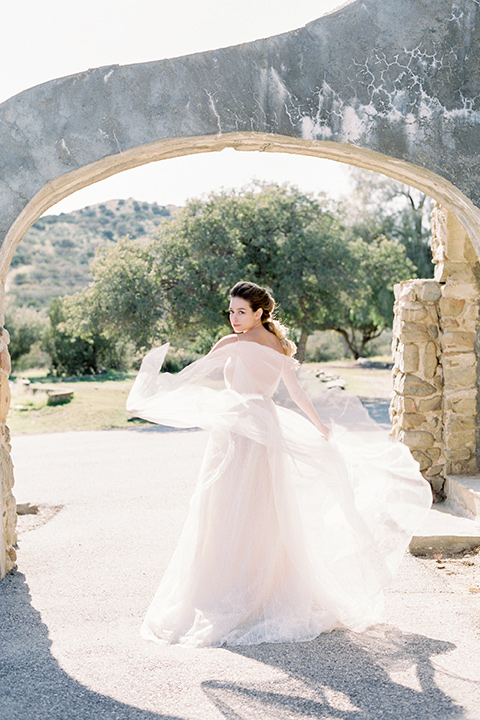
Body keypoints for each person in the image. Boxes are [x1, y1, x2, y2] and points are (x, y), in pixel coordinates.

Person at [127, 281, 432, 647]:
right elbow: (296, 393)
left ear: (259, 313)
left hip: (241, 428)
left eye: (241, 311)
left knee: (229, 506)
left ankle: (233, 589)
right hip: (264, 423)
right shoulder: (279, 345)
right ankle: (260, 584)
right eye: (231, 311)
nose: (234, 318)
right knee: (260, 507)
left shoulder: (235, 344)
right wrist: (318, 425)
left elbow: (189, 376)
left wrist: (148, 398)